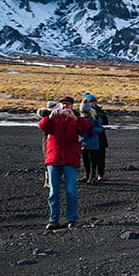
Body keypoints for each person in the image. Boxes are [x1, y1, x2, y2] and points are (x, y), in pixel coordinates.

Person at [38, 95, 91, 229]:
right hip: (53, 159)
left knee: (71, 191)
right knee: (53, 192)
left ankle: (71, 219)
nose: (65, 106)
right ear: (59, 106)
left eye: (67, 104)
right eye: (62, 104)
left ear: (72, 106)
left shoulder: (76, 120)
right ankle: (53, 219)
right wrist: (50, 117)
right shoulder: (53, 119)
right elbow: (42, 126)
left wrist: (75, 118)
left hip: (70, 160)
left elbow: (86, 128)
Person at [83, 93, 109, 181]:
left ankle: (100, 174)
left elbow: (105, 122)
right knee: (87, 158)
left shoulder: (99, 111)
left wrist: (99, 114)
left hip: (100, 138)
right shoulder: (83, 112)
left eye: (94, 102)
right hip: (87, 139)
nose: (93, 103)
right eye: (91, 102)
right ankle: (88, 174)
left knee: (100, 157)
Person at [78, 101, 105, 183]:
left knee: (93, 160)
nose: (84, 113)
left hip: (93, 142)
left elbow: (101, 129)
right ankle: (87, 175)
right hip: (84, 142)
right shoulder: (80, 118)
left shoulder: (95, 117)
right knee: (85, 160)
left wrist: (91, 130)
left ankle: (92, 175)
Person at [36, 101, 59, 188]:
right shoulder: (47, 116)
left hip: (52, 139)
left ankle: (51, 179)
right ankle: (48, 180)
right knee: (49, 159)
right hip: (48, 140)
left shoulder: (47, 116)